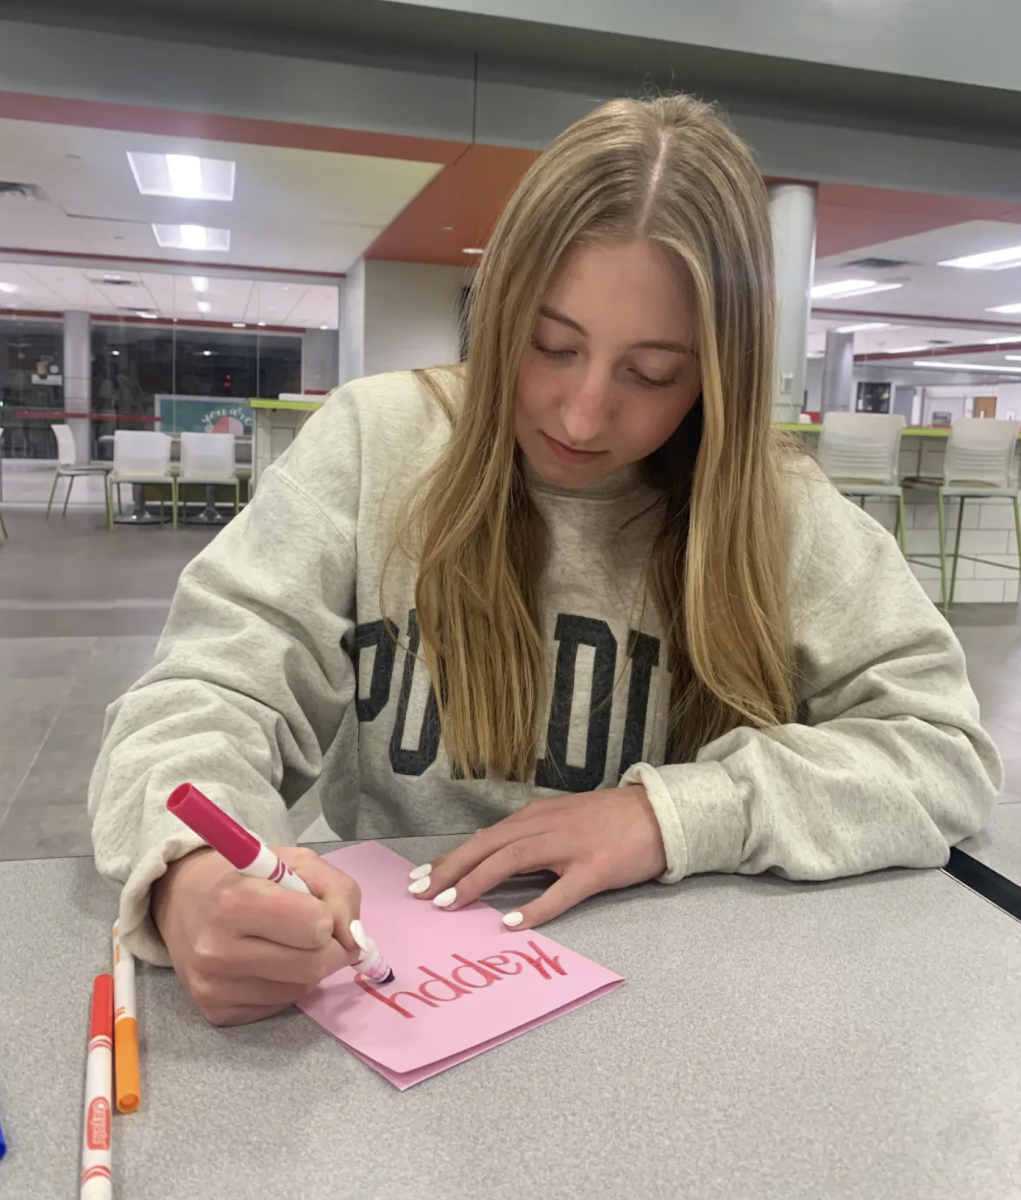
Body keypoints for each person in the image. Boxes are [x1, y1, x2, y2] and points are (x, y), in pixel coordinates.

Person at [89, 94, 1002, 1027]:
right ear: (493, 312)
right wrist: (193, 872)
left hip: (689, 1009)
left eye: (651, 374)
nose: (579, 415)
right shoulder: (375, 442)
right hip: (388, 992)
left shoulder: (779, 513)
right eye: (550, 345)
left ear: (717, 372)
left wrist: (674, 815)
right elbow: (205, 693)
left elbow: (942, 758)